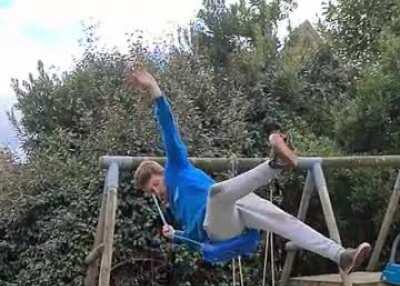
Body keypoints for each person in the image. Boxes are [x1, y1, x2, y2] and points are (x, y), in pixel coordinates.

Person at [127, 69, 371, 273]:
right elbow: (197, 242)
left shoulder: (176, 168)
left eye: (155, 186)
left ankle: (341, 255)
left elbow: (168, 129)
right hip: (215, 228)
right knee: (216, 193)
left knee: (284, 221)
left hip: (232, 211)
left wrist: (154, 89)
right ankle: (275, 164)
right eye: (151, 192)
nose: (156, 193)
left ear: (161, 173)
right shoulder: (178, 212)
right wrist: (177, 236)